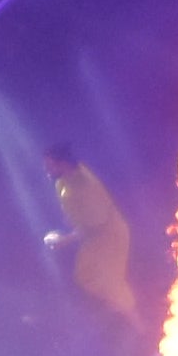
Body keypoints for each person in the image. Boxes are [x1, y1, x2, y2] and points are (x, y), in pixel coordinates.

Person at [49, 144, 145, 337]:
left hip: (109, 237)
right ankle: (119, 318)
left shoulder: (85, 186)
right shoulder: (64, 181)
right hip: (95, 237)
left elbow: (95, 224)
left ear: (63, 164)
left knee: (109, 282)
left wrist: (65, 239)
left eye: (50, 165)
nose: (47, 170)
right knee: (86, 276)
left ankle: (140, 327)